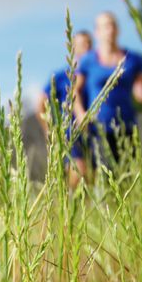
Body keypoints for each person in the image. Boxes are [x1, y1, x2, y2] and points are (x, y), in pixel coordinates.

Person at [71, 12, 142, 172]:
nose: (110, 29)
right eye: (105, 26)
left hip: (127, 124)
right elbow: (74, 91)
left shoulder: (134, 59)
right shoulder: (88, 60)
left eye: (113, 25)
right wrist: (80, 114)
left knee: (130, 174)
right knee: (106, 175)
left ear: (118, 30)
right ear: (97, 32)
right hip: (99, 127)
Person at [36, 30, 93, 187]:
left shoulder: (94, 75)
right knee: (78, 171)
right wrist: (48, 129)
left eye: (89, 44)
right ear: (72, 47)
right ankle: (67, 203)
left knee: (91, 176)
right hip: (69, 131)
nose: (87, 48)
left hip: (93, 131)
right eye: (82, 44)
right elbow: (40, 103)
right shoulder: (60, 76)